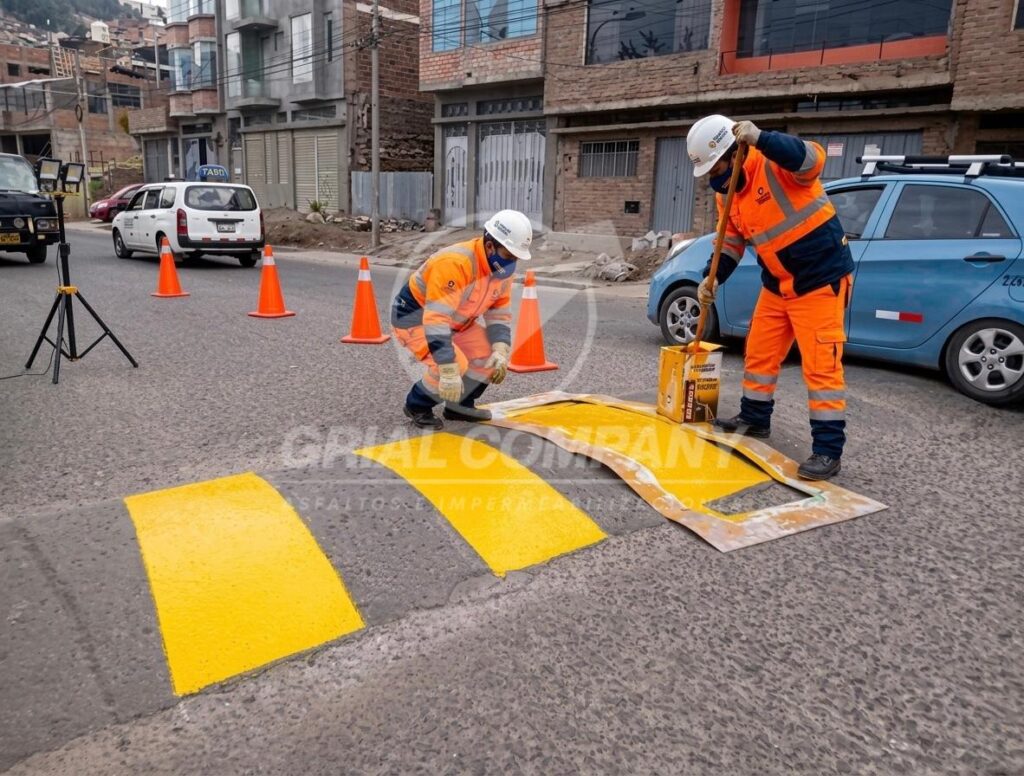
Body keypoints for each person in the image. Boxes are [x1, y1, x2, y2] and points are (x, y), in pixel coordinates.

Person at [686, 115, 854, 481]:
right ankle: (755, 418)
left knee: (821, 367)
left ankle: (828, 450)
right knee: (759, 353)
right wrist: (711, 278)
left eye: (717, 167)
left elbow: (813, 159)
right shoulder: (725, 194)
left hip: (819, 279)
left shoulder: (776, 162)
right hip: (778, 282)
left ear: (735, 153)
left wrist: (763, 138)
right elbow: (729, 242)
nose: (714, 176)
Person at [391, 209, 533, 429]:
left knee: (488, 358)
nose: (512, 262)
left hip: (457, 323)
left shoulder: (502, 270)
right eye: (509, 255)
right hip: (416, 320)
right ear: (490, 246)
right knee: (454, 364)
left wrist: (501, 348)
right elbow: (436, 320)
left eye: (515, 257)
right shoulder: (455, 263)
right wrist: (448, 368)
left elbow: (498, 312)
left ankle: (459, 406)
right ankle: (417, 406)